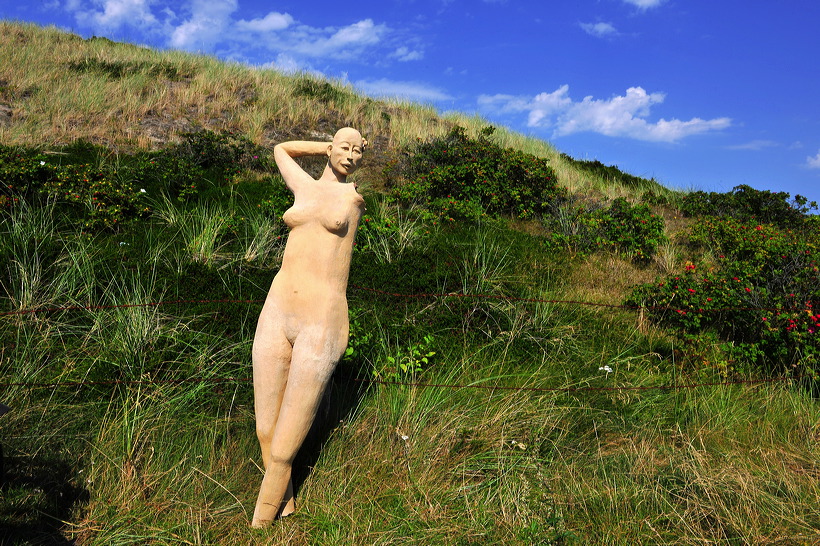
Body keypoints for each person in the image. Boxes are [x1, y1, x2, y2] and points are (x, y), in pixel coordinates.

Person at [251, 127, 367, 527]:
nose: (351, 156)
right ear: (331, 148)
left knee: (284, 445)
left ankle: (259, 527)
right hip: (277, 307)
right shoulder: (303, 184)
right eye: (344, 148)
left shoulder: (353, 198)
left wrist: (337, 153)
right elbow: (280, 149)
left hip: (323, 318)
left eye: (358, 151)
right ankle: (286, 503)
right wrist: (325, 148)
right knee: (265, 426)